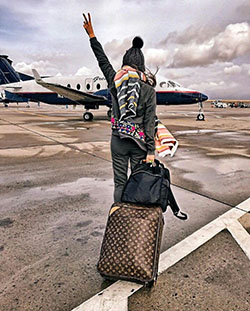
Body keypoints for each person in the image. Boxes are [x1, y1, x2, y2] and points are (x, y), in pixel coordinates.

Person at [83, 13, 157, 202]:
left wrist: (92, 36)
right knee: (138, 181)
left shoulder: (115, 80)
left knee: (120, 183)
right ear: (141, 64)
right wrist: (150, 151)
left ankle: (119, 218)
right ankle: (134, 224)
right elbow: (149, 124)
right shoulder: (148, 89)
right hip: (140, 143)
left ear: (124, 61)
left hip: (118, 140)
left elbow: (103, 61)